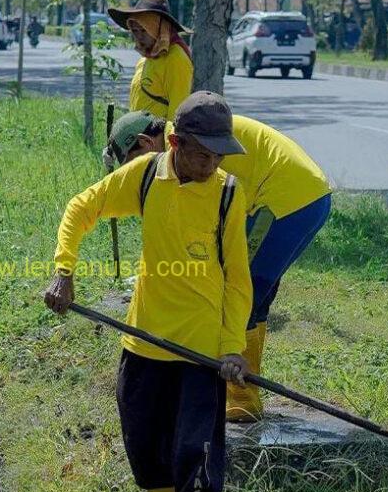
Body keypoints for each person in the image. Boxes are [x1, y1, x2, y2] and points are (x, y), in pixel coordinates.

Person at [45, 91, 252, 492]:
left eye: (220, 153)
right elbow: (82, 207)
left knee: (195, 457)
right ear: (175, 143)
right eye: (203, 152)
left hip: (201, 354)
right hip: (143, 346)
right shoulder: (143, 177)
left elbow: (238, 277)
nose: (212, 162)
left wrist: (230, 347)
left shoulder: (227, 192)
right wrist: (63, 270)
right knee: (146, 451)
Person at [112, 108, 332, 422]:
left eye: (132, 163)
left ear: (147, 143)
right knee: (256, 297)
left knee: (239, 295)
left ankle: (240, 401)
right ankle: (242, 398)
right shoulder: (187, 138)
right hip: (307, 198)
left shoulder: (188, 144)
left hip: (286, 200)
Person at [108, 0, 193, 120]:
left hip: (159, 138)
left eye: (144, 30)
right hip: (139, 138)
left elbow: (177, 114)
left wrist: (169, 140)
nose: (139, 36)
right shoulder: (145, 59)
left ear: (158, 29)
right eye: (135, 30)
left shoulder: (176, 59)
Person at [101, 110, 166, 169]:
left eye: (135, 165)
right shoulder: (170, 151)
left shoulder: (174, 162)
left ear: (145, 141)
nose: (135, 171)